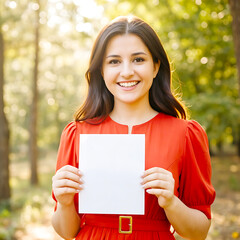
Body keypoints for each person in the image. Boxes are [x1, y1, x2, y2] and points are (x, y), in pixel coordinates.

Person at [51, 15, 216, 240]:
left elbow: (199, 232)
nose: (127, 71)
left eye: (138, 59)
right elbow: (66, 232)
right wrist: (64, 202)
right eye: (114, 61)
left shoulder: (186, 134)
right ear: (101, 70)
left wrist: (171, 202)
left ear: (156, 66)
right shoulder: (77, 134)